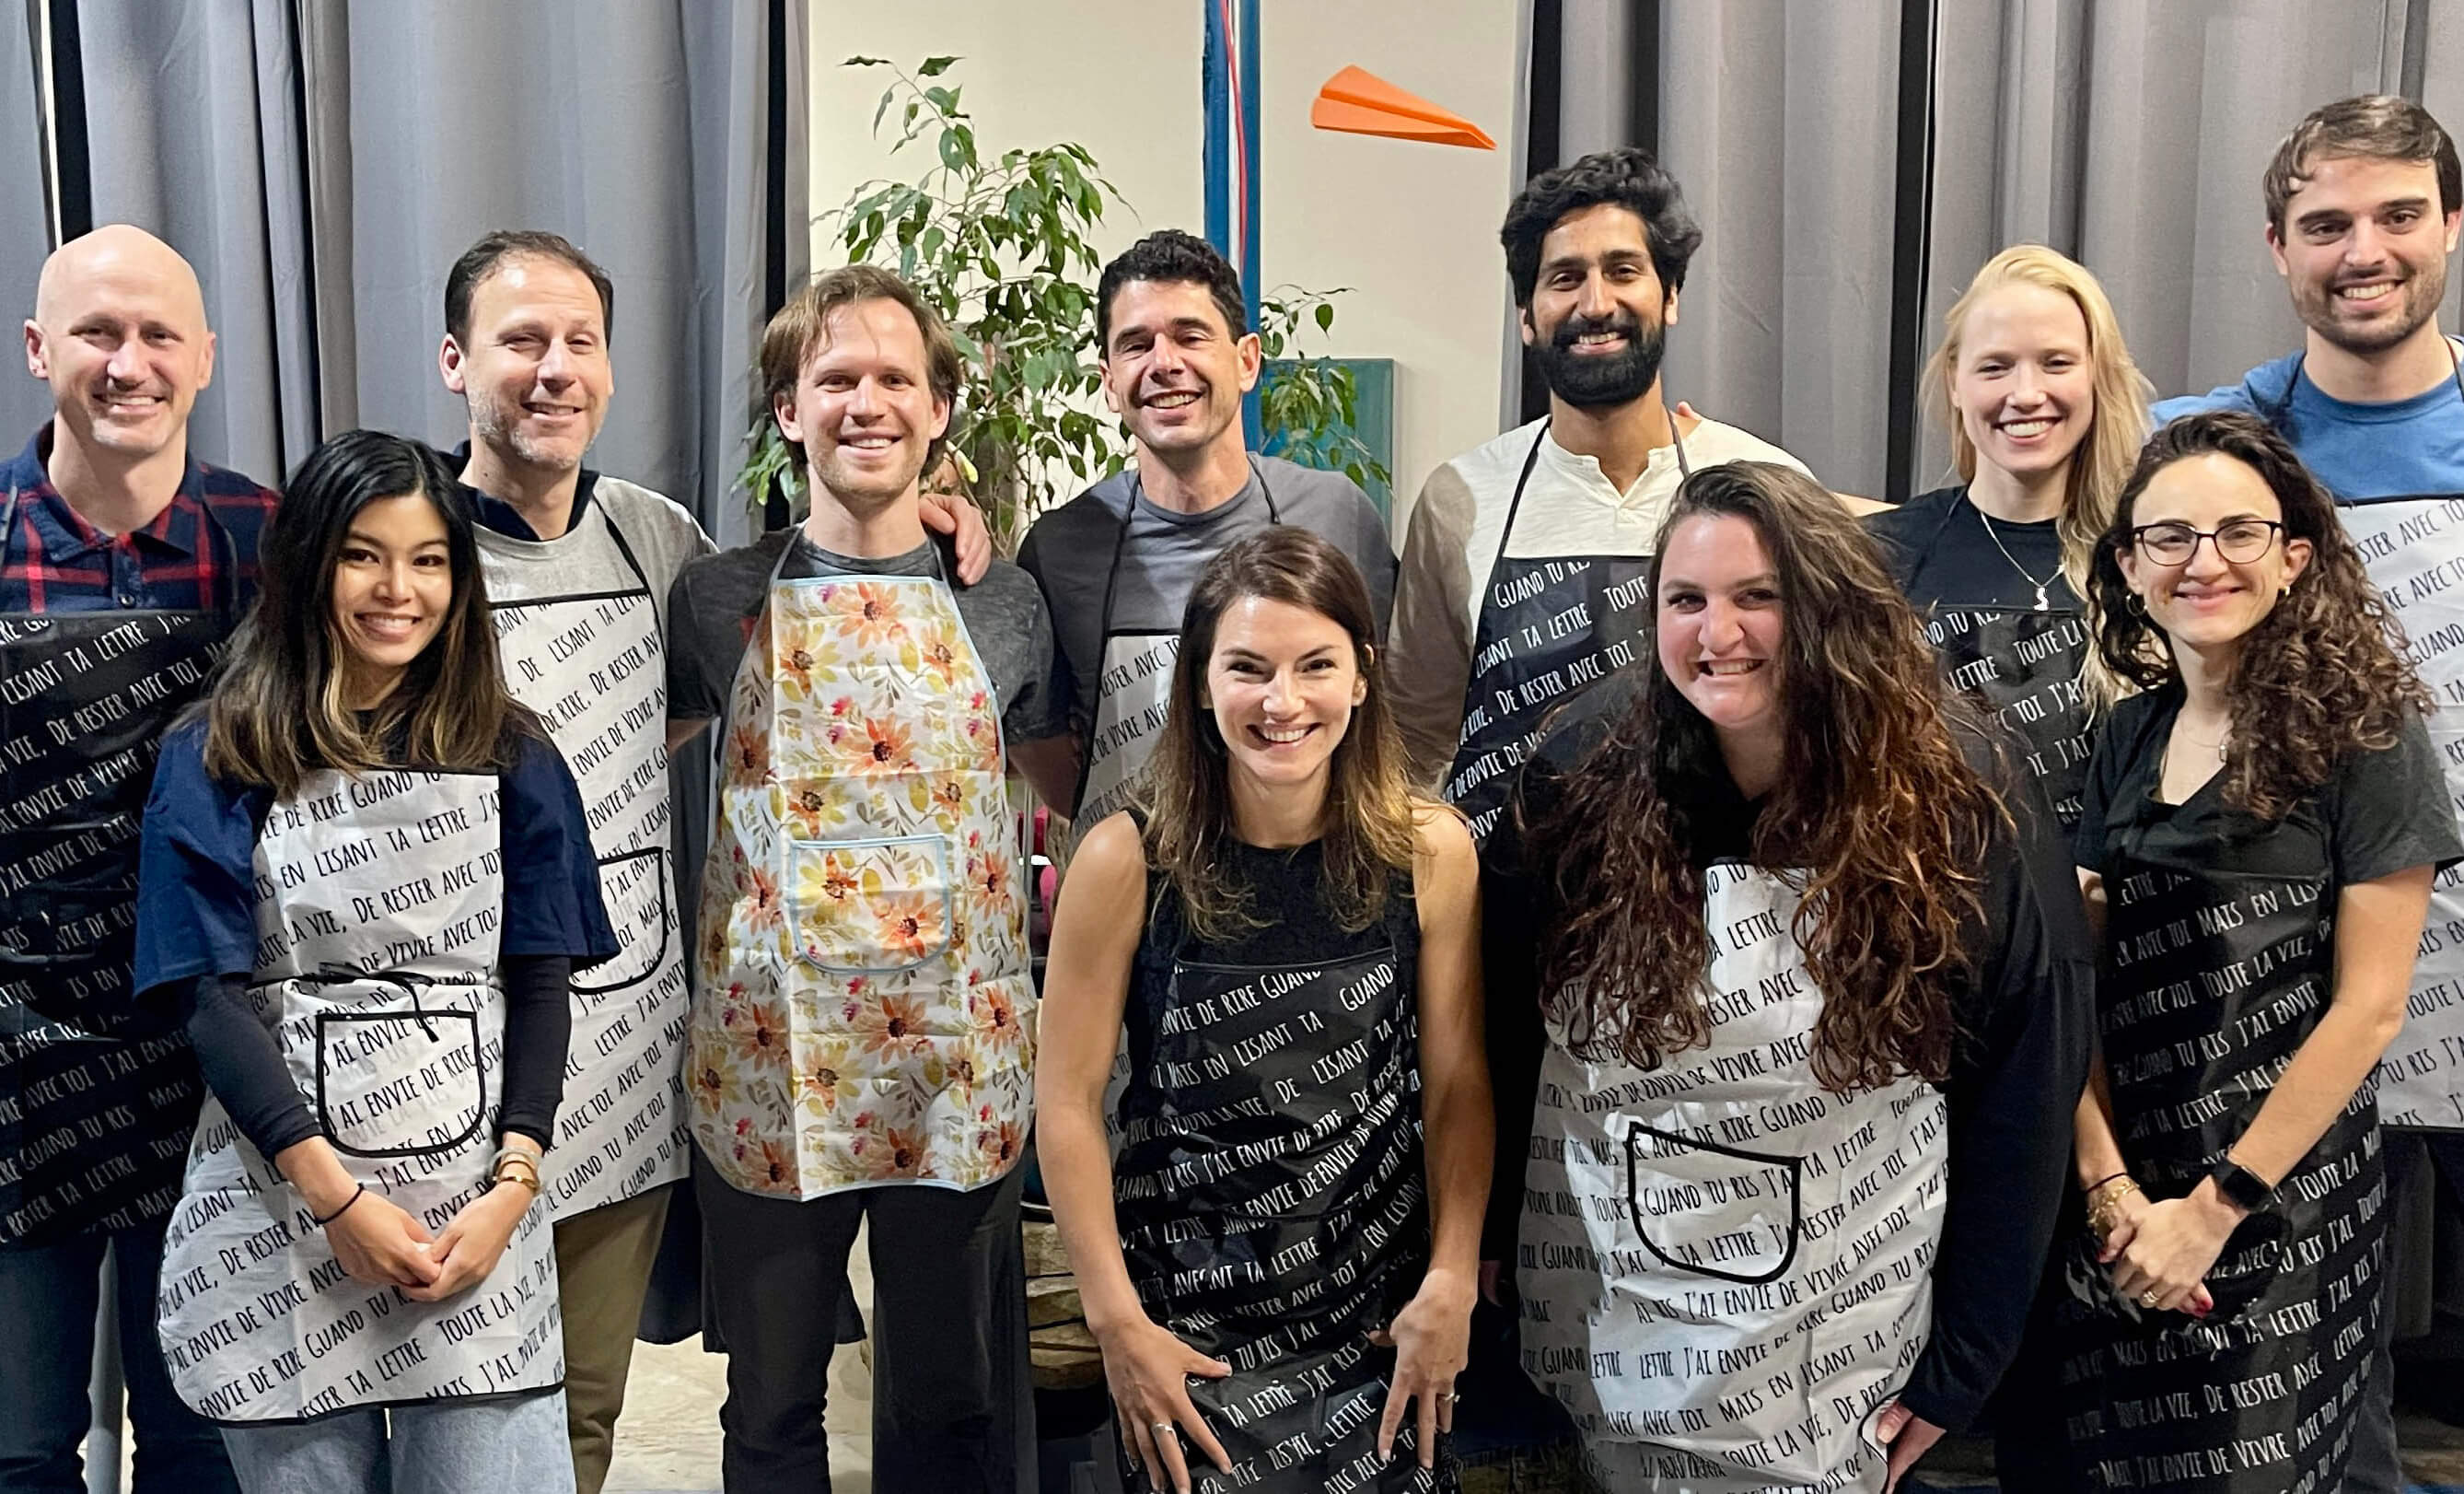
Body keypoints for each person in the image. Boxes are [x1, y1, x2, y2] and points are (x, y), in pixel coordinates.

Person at [1483, 461, 2091, 1492]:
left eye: (1758, 596)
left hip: (1838, 1316)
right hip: (1613, 1292)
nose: (1718, 633)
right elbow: (1497, 1022)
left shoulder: (1959, 791)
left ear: (1828, 606)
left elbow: (2030, 1074)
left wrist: (1965, 1362)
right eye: (1687, 600)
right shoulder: (1584, 770)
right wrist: (1493, 1235)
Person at [132, 430, 616, 1490]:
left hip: (474, 1217)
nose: (398, 589)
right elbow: (209, 999)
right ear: (309, 561)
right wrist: (336, 1203)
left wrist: (512, 1186)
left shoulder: (516, 752)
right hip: (281, 1218)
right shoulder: (218, 751)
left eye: (429, 558)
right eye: (363, 554)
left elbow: (541, 982)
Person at [665, 264, 1060, 1492]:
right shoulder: (716, 596)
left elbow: (1064, 789)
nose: (866, 402)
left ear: (942, 408)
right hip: (772, 1063)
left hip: (953, 1061)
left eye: (896, 377)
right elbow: (614, 766)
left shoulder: (1007, 600)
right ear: (790, 409)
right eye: (835, 378)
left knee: (947, 1401)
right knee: (772, 1404)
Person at [1038, 527, 1491, 1493]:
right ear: (1201, 682)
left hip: (1378, 1319)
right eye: (1248, 667)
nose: (1282, 701)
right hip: (1186, 1327)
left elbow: (1458, 1084)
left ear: (1363, 678)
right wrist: (1118, 1322)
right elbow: (1068, 1101)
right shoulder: (1126, 857)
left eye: (1315, 665)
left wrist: (1450, 1278)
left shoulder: (1433, 853)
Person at [2151, 95, 2464, 1488]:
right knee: (2322, 1382)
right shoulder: (2209, 444)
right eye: (2328, 223)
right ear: (2278, 248)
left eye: (2399, 214)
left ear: (2450, 227)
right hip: (2294, 993)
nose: (2365, 249)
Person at [2054, 410, 2456, 1490]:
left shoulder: (2368, 734)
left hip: (2282, 1209)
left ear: (2293, 555)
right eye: (2170, 537)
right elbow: (2077, 984)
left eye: (2238, 531)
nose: (2205, 562)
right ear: (2131, 565)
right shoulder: (2124, 737)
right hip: (2125, 1210)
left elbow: (2370, 1009)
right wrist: (2113, 1194)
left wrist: (2217, 1206)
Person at [0, 224, 272, 1494]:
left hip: (213, 1041)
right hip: (8, 1056)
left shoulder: (280, 546)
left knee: (199, 1442)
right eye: (98, 332)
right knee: (17, 1446)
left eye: (160, 332)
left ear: (206, 356)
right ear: (40, 347)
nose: (129, 361)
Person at [1384, 146, 1854, 842]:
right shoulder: (1461, 498)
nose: (1596, 304)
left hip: (1721, 906)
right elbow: (1414, 746)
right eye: (1565, 278)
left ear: (1670, 298)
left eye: (1623, 272)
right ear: (1526, 313)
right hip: (1506, 911)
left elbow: (1827, 710)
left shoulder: (1769, 484)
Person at [1015, 229, 1396, 828]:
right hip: (1129, 891)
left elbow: (1382, 709)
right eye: (1136, 345)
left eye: (1190, 336)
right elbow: (1045, 751)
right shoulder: (1060, 547)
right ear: (1110, 382)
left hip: (1313, 878)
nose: (1165, 364)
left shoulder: (1337, 517)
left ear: (1246, 361)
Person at [1868, 244, 2154, 829]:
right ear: (1955, 382)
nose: (2025, 394)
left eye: (2056, 363)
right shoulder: (1879, 558)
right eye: (1995, 367)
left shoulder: (2153, 557)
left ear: (2097, 376)